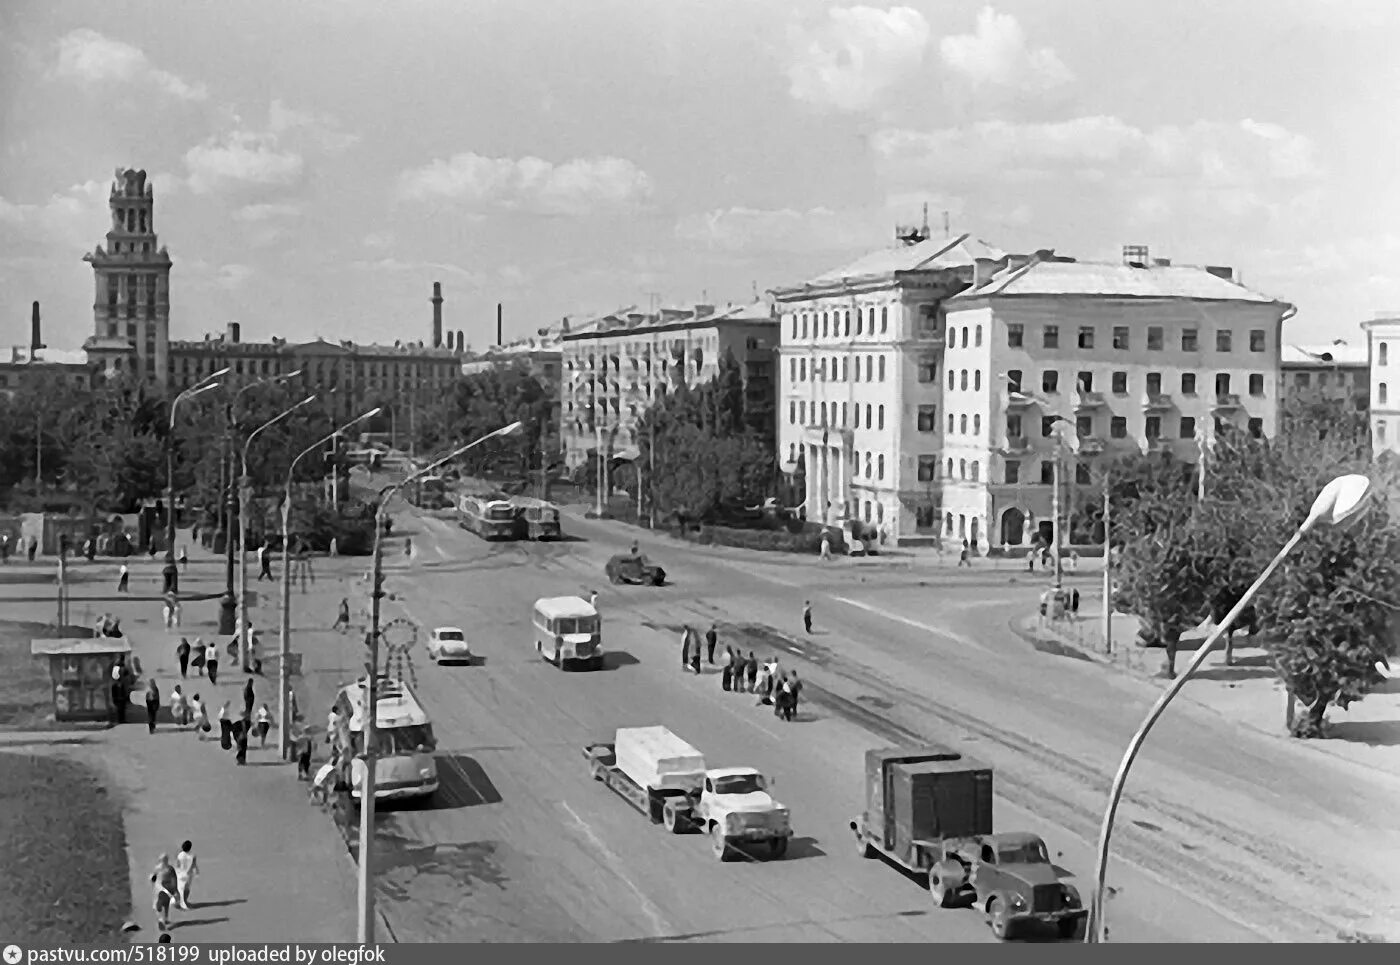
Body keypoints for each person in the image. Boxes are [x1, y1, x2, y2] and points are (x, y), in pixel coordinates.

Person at [150, 854, 178, 932]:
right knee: (166, 905)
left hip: (158, 888)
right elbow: (174, 879)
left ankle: (161, 920)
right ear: (167, 860)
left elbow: (152, 877)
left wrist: (153, 882)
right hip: (168, 889)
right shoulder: (170, 869)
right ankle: (165, 919)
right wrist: (175, 890)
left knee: (158, 906)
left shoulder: (157, 868)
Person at [173, 841, 198, 911]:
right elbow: (194, 865)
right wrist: (196, 871)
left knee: (179, 889)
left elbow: (176, 865)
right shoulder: (193, 855)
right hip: (188, 875)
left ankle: (178, 902)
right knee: (187, 889)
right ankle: (184, 902)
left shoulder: (179, 855)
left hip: (180, 874)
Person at [110, 659, 128, 725]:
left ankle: (122, 720)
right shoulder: (117, 670)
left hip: (121, 698)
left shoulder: (118, 670)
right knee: (119, 709)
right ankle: (120, 720)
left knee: (122, 709)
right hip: (118, 698)